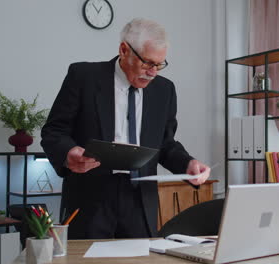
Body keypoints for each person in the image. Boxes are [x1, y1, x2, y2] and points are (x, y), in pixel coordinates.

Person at [41, 18, 210, 239]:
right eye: (148, 63)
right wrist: (68, 154)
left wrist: (188, 163)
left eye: (159, 64)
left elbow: (165, 143)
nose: (153, 73)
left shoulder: (164, 90)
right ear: (124, 50)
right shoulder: (83, 77)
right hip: (90, 198)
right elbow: (54, 131)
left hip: (139, 201)